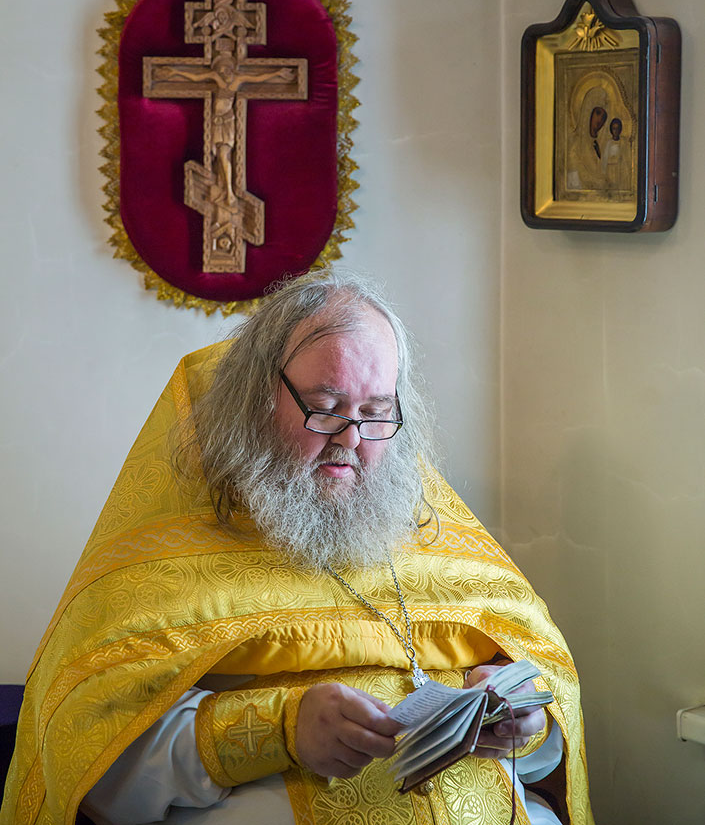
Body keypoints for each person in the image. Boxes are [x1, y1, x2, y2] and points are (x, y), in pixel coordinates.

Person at [1, 271, 594, 825]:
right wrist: (280, 729)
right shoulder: (167, 558)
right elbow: (92, 764)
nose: (351, 439)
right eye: (326, 408)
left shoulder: (440, 540)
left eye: (376, 413)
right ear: (256, 400)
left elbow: (545, 759)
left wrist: (526, 722)